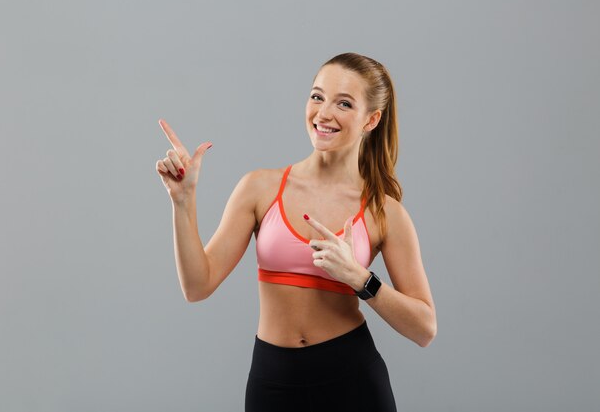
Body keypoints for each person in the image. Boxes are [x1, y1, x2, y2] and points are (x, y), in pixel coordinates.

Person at [155, 52, 436, 412]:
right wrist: (183, 202)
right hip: (273, 382)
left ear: (372, 119)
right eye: (317, 96)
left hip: (352, 381)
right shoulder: (259, 188)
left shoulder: (385, 212)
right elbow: (197, 286)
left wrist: (360, 278)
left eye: (344, 103)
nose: (324, 113)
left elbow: (424, 329)